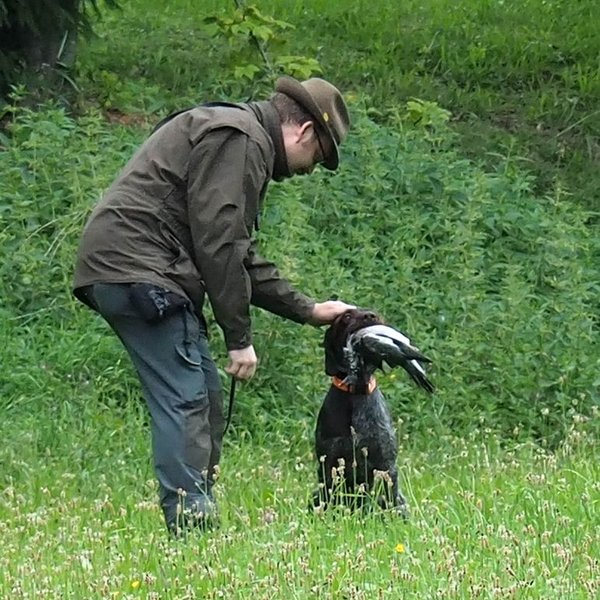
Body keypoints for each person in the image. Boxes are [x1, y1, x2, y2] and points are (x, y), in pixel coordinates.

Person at [73, 75, 354, 534]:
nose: (311, 170)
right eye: (319, 157)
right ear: (304, 132)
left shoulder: (239, 135)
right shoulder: (239, 138)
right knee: (186, 399)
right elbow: (219, 246)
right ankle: (192, 529)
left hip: (136, 266)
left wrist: (307, 309)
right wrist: (239, 339)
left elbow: (235, 251)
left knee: (203, 394)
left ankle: (197, 513)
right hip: (138, 267)